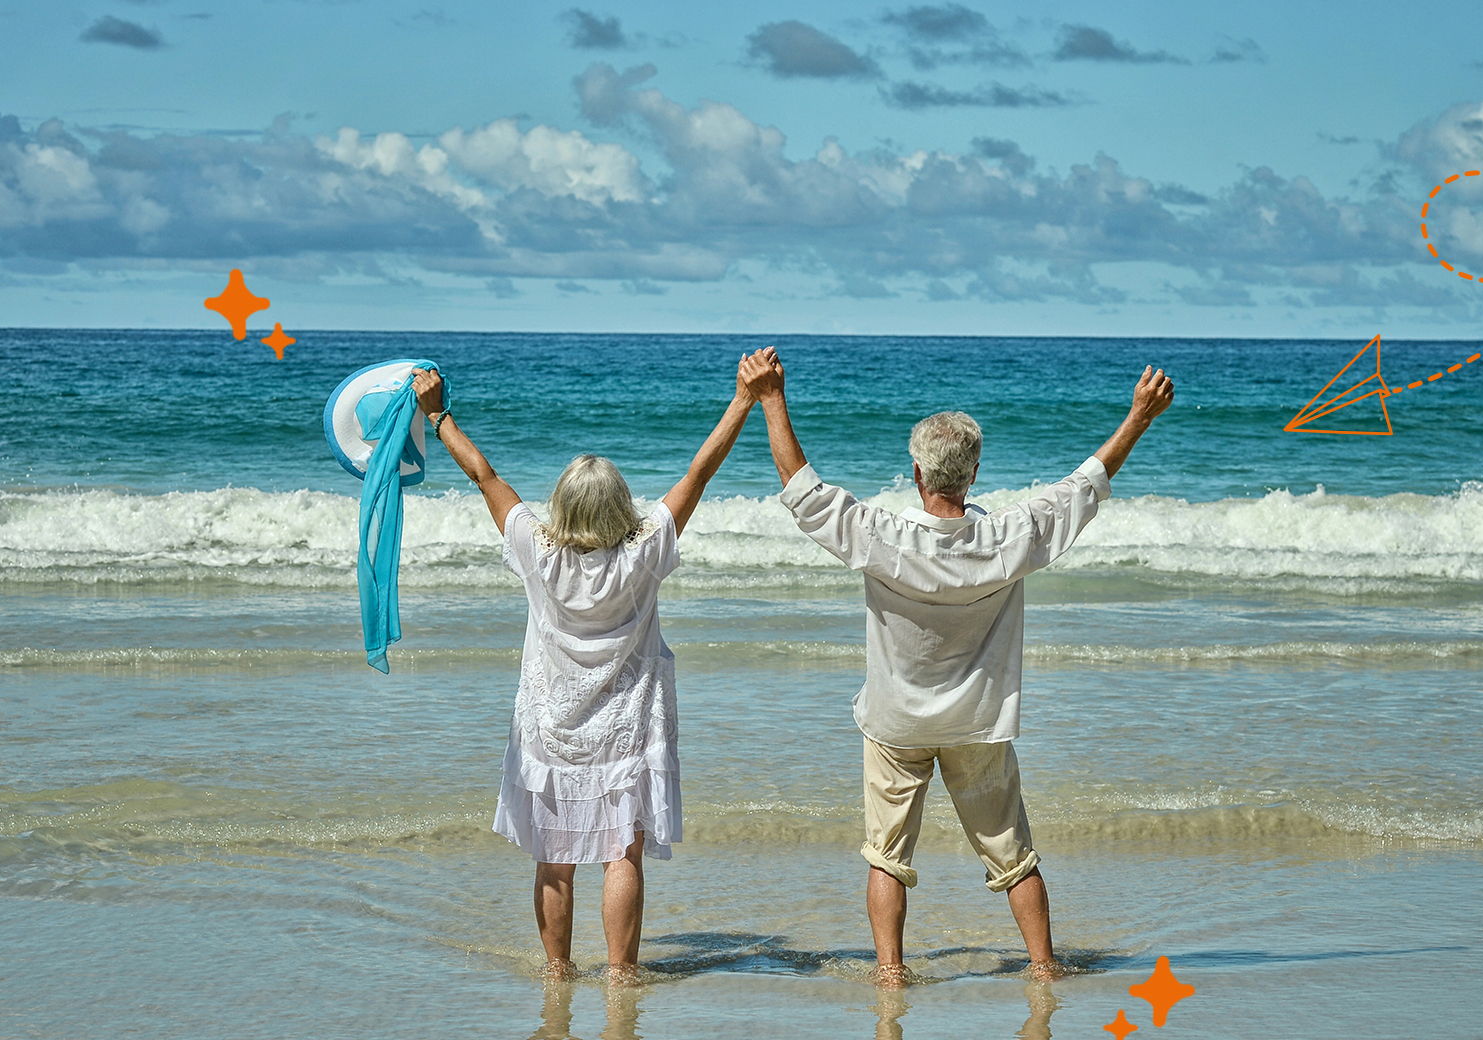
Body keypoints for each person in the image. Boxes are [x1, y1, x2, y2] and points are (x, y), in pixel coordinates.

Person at [745, 348, 1174, 987]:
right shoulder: (1009, 536)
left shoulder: (882, 535)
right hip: (977, 723)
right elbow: (1086, 487)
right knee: (1013, 854)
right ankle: (1042, 965)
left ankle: (891, 973)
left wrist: (771, 400)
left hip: (896, 723)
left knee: (886, 857)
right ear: (973, 473)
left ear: (917, 472)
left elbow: (801, 490)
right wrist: (1138, 416)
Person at [413, 350, 775, 984]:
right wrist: (745, 400)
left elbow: (485, 475)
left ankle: (557, 972)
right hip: (626, 727)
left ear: (562, 506)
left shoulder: (534, 549)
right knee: (621, 852)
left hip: (551, 728)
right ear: (618, 509)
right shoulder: (644, 551)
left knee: (555, 856)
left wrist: (438, 415)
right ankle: (621, 974)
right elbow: (700, 471)